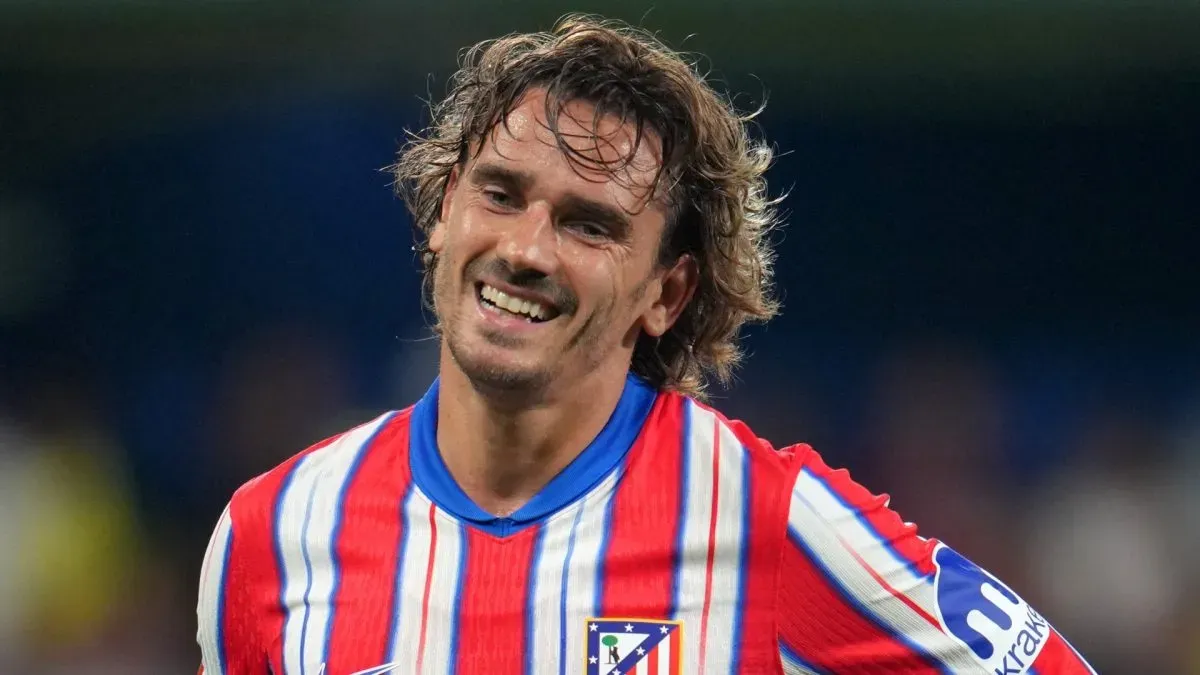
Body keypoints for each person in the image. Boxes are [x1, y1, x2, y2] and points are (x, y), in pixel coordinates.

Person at [196, 14, 1095, 675]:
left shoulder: (770, 519)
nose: (526, 248)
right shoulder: (270, 533)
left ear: (666, 293)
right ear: (441, 214)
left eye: (590, 225)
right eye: (501, 194)